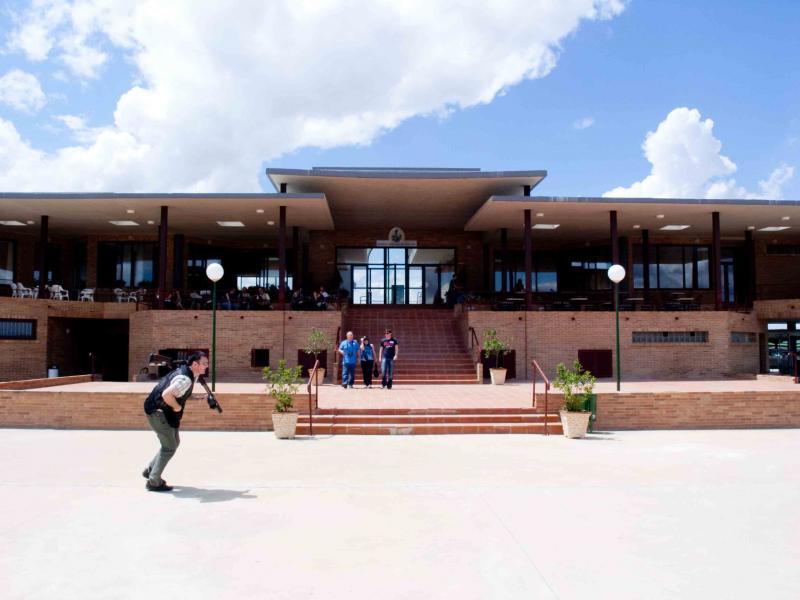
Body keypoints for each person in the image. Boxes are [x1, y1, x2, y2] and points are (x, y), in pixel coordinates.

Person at [142, 352, 209, 492]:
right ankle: (154, 482)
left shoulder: (188, 373)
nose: (206, 366)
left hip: (163, 412)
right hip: (158, 413)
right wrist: (177, 407)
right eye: (204, 363)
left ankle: (150, 470)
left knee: (173, 443)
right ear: (195, 364)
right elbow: (167, 395)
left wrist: (196, 398)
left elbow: (180, 392)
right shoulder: (185, 379)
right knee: (169, 447)